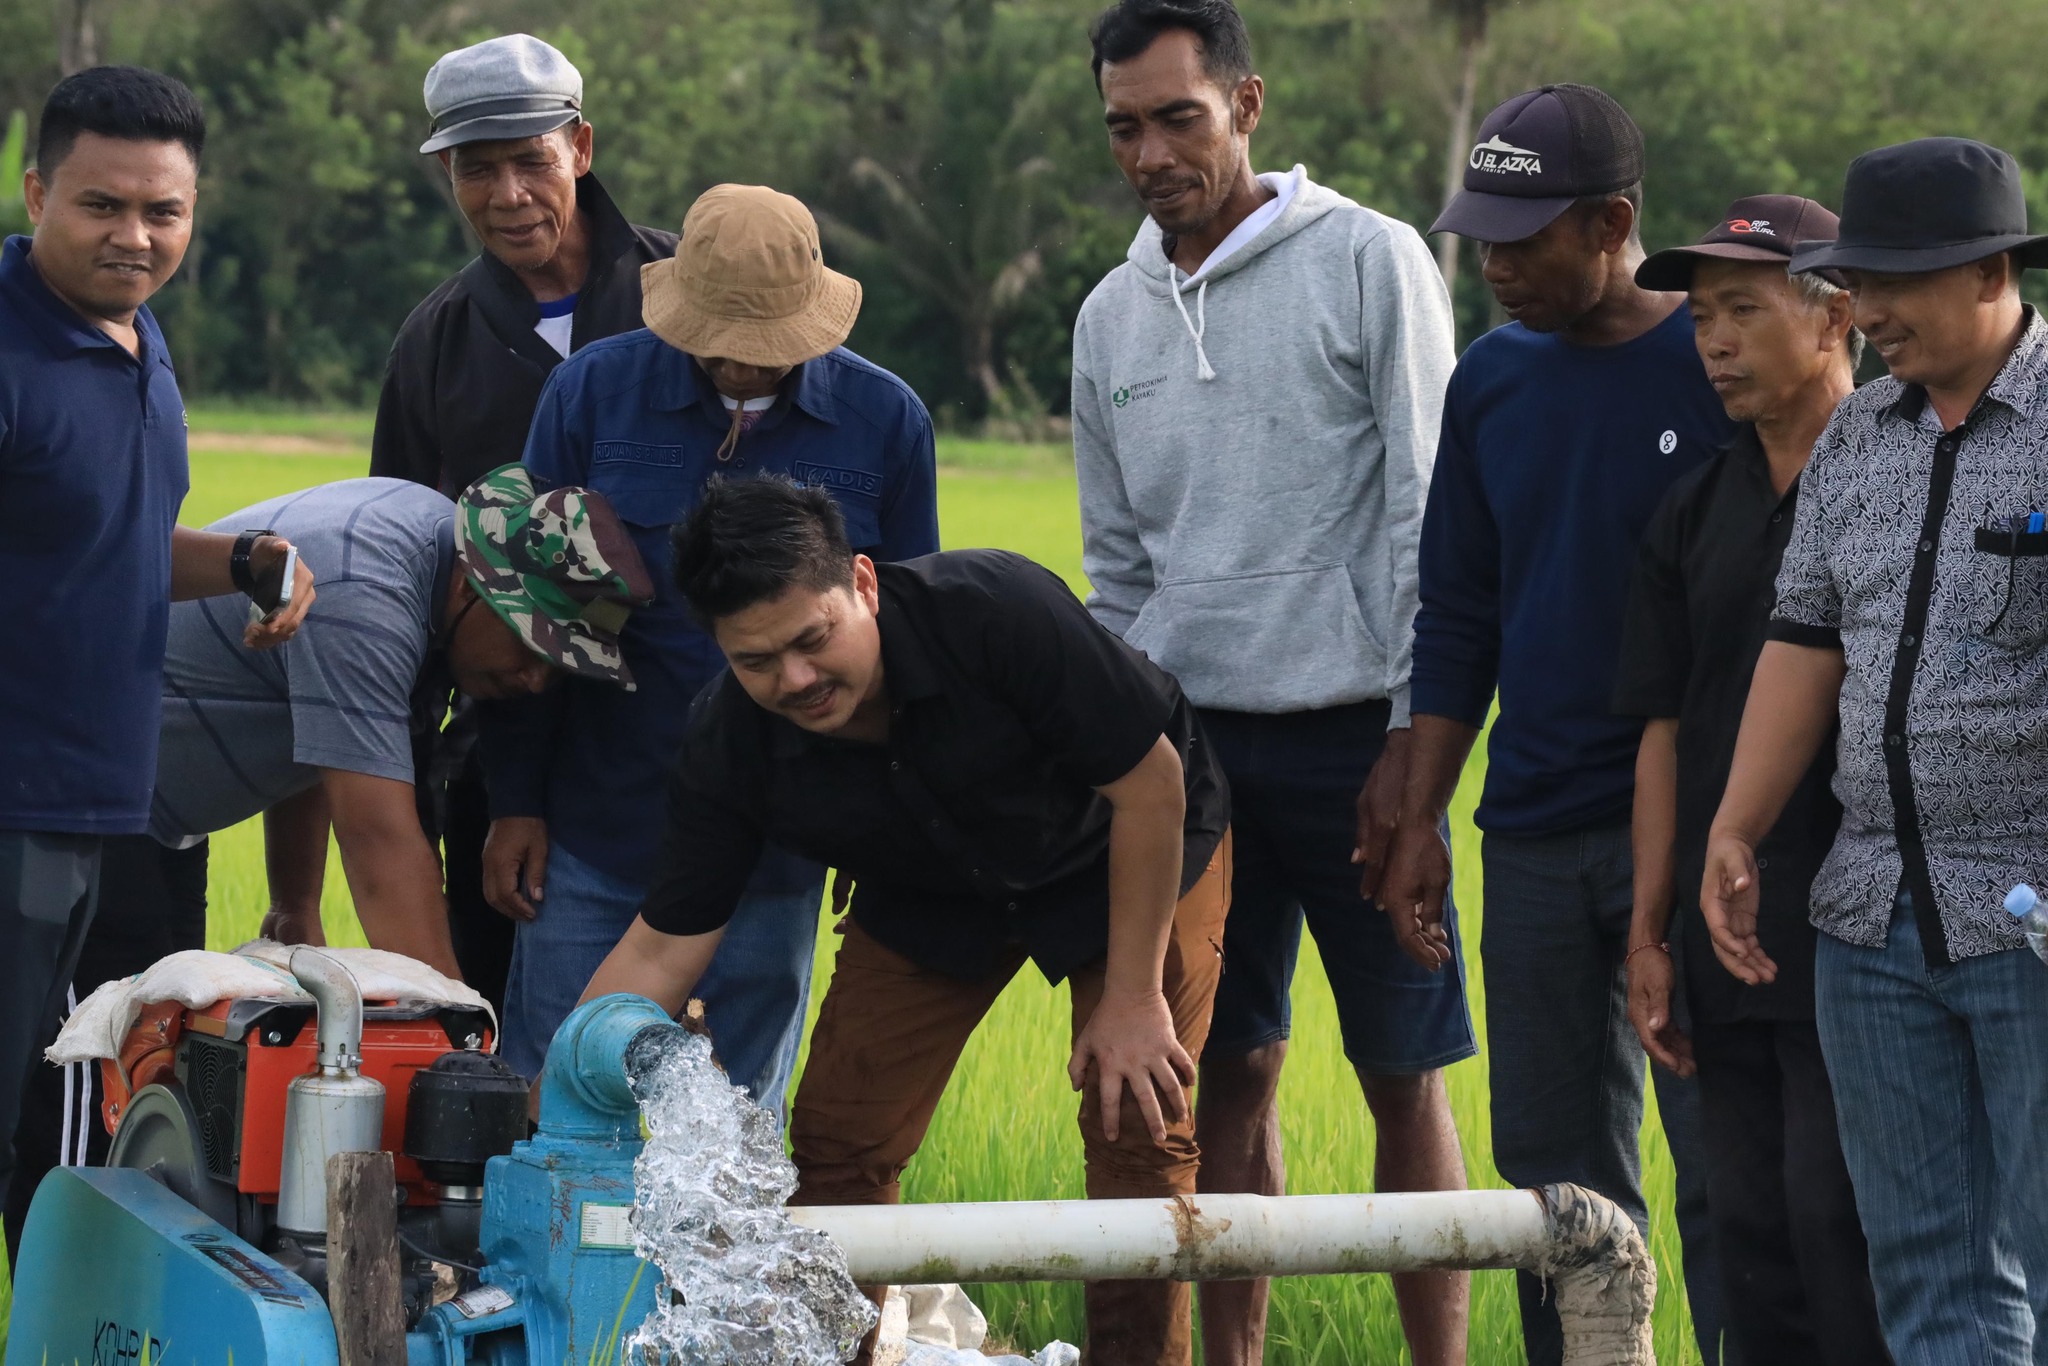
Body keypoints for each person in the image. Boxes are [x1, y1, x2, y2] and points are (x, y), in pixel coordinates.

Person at [580, 475, 1230, 1366]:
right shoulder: (731, 741)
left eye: (814, 640)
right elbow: (663, 946)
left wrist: (1132, 995)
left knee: (1136, 1126)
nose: (796, 679)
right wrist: (559, 1092)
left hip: (1122, 846)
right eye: (756, 661)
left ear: (865, 584)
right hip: (932, 889)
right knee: (842, 1141)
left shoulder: (997, 609)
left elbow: (1151, 787)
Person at [1072, 2, 1471, 1359]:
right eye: (1125, 125)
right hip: (1192, 762)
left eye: (1179, 115)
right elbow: (1116, 575)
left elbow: (1434, 514)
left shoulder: (1371, 261)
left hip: (1363, 736)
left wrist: (1416, 758)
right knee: (1225, 1069)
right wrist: (1115, 759)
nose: (1151, 151)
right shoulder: (1109, 316)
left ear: (1248, 103)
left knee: (1399, 1069)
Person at [4, 466, 654, 1254]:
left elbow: (320, 738)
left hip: (158, 818)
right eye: (530, 645)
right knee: (89, 1076)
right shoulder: (365, 589)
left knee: (167, 1065)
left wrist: (295, 899)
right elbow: (381, 845)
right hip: (72, 798)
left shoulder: (425, 547)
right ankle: (64, 1297)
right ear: (477, 588)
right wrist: (463, 1052)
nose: (534, 678)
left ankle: (136, 1302)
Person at [1376, 83, 1734, 1365]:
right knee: (1549, 1179)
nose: (1494, 266)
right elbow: (1458, 613)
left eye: (1523, 239)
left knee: (1720, 1160)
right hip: (1526, 835)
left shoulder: (1716, 356)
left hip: (1689, 837)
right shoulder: (1491, 379)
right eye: (1481, 237)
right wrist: (1418, 815)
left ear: (1613, 222)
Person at [482, 183, 940, 1100]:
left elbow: (910, 646)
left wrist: (885, 829)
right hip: (599, 826)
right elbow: (530, 613)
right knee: (553, 1099)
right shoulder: (593, 395)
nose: (739, 367)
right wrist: (516, 802)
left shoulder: (884, 421)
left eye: (762, 348)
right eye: (718, 345)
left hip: (782, 838)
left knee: (736, 1129)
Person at [1707, 138, 2048, 1365]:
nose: (1870, 312)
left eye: (1898, 281)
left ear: (1991, 270)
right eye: (1859, 280)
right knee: (1927, 1275)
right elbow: (1805, 643)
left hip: (2029, 914)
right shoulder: (1861, 438)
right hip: (1870, 920)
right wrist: (1734, 825)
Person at [0, 64, 315, 1214]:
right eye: (100, 205)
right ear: (37, 191)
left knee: (56, 1125)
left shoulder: (138, 341)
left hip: (99, 808)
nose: (133, 235)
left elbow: (103, 539)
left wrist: (240, 560)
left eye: (163, 211)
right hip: (12, 804)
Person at [1613, 195, 1890, 1366]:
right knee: (1747, 1228)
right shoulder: (1692, 513)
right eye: (1698, 317)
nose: (1710, 340)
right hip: (1722, 928)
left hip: (1866, 925)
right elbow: (1662, 731)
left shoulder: (1901, 483)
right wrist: (1646, 930)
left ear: (1833, 318)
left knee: (1849, 1225)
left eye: (1740, 310)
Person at [371, 33, 681, 1015]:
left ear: (579, 148)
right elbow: (403, 566)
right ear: (445, 174)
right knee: (513, 1043)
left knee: (700, 1057)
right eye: (476, 167)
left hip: (694, 736)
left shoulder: (685, 293)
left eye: (530, 161)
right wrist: (457, 798)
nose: (507, 195)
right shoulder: (436, 344)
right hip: (511, 762)